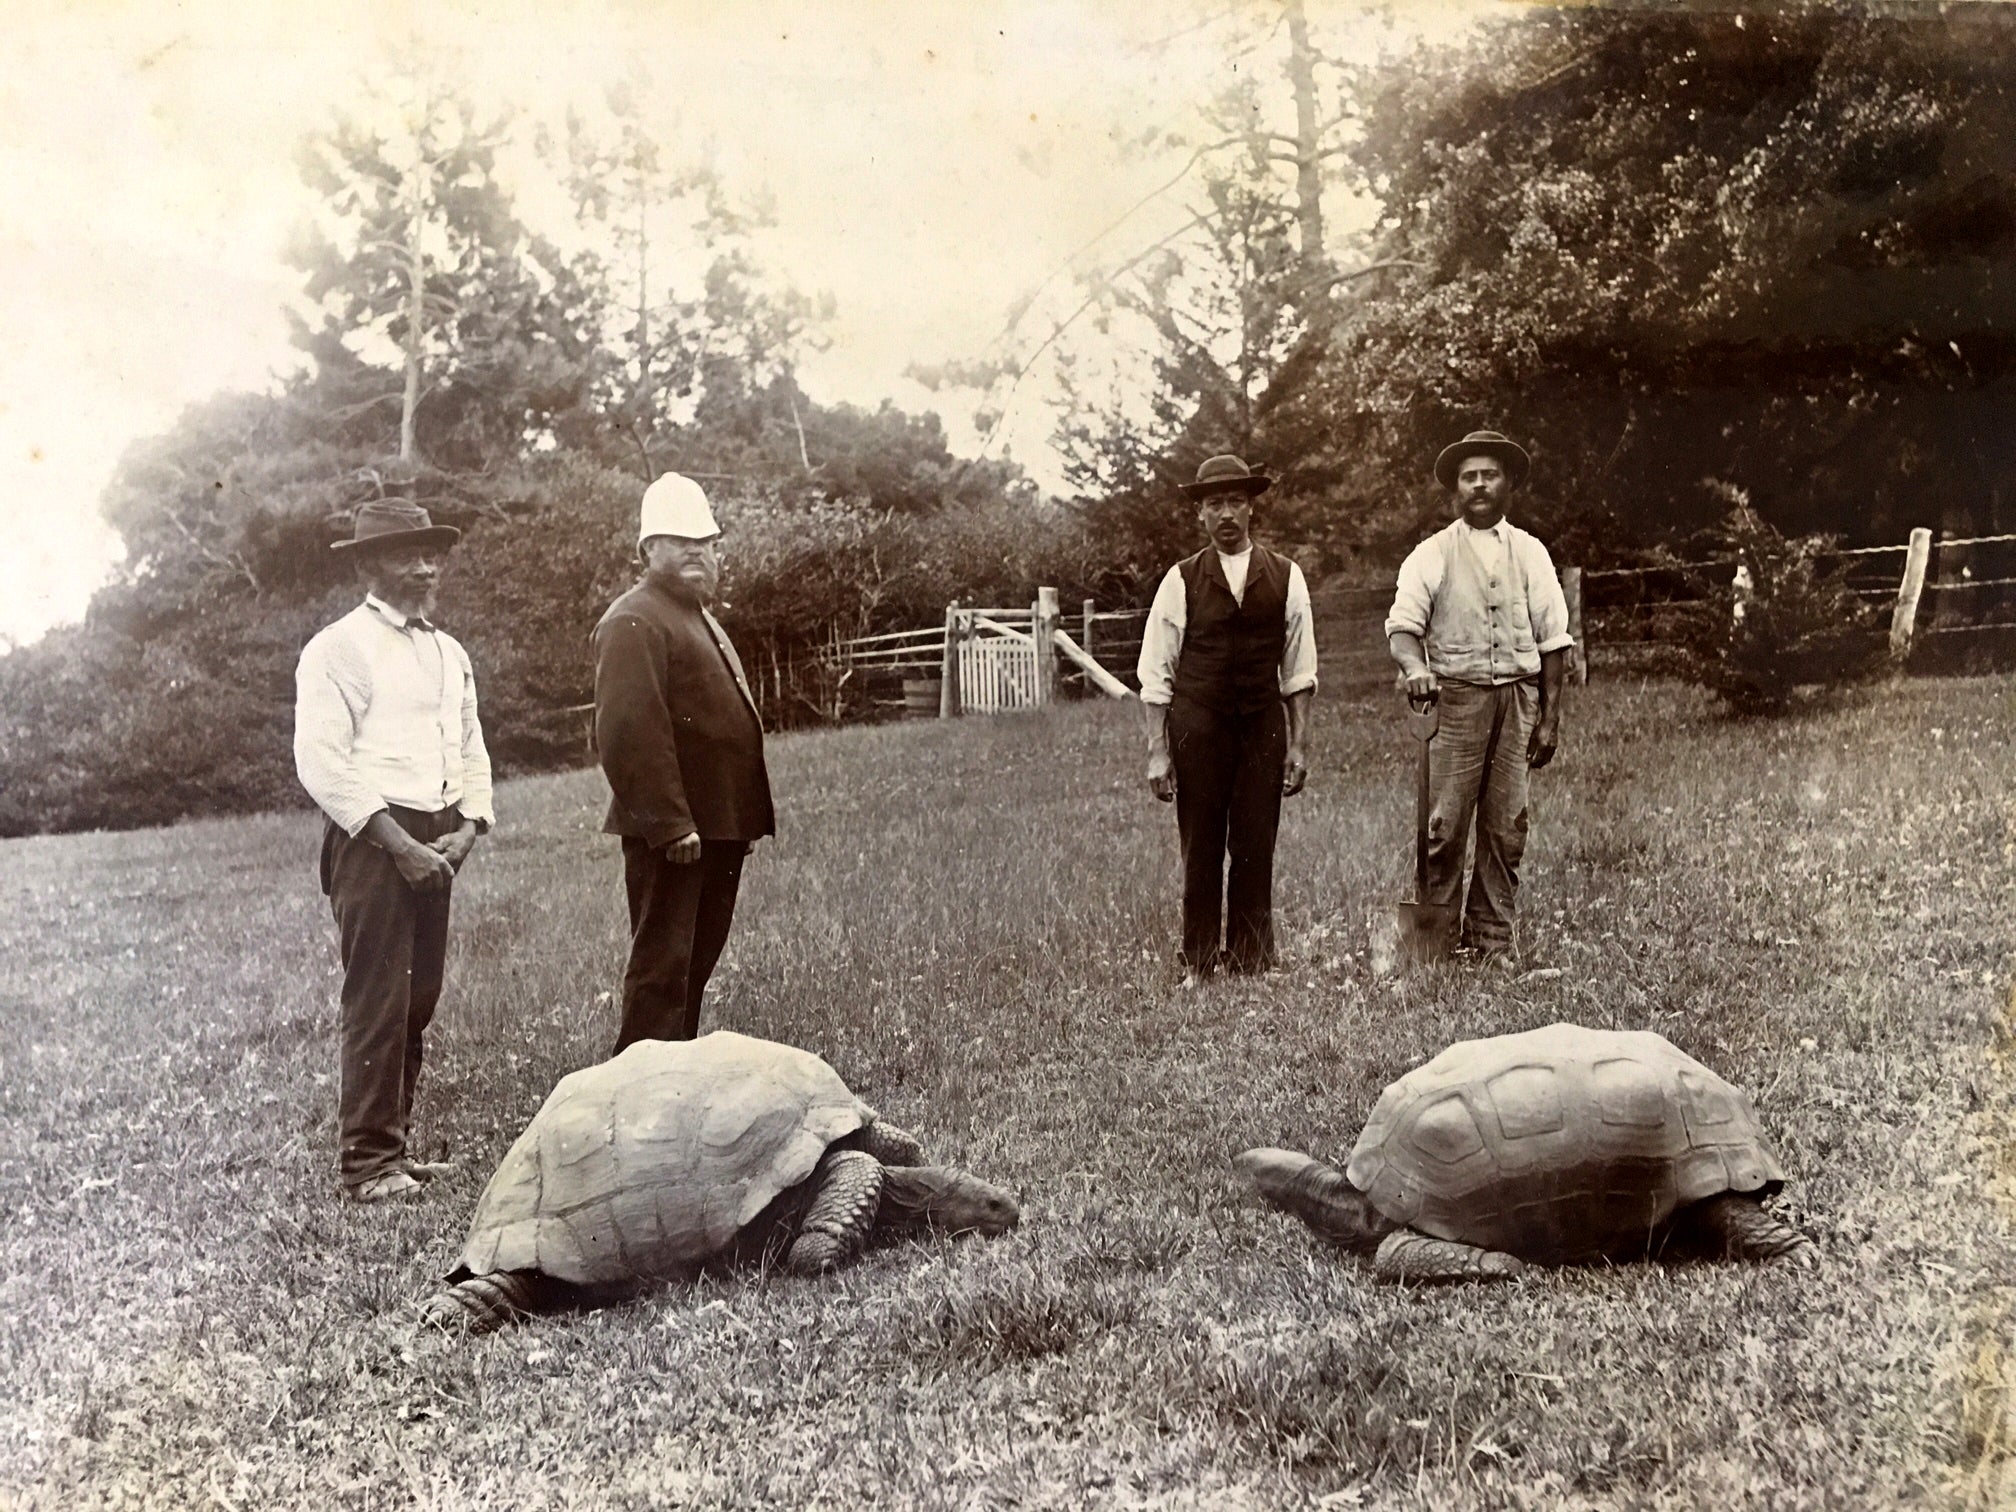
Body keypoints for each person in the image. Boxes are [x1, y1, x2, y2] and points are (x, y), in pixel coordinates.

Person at [294, 499, 494, 1204]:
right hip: (373, 842)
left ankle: (395, 1148)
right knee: (377, 1000)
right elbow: (322, 763)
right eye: (408, 552)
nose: (426, 564)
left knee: (418, 998)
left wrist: (469, 828)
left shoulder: (448, 650)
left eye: (433, 551)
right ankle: (369, 1163)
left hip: (438, 837)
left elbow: (469, 745)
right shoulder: (337, 648)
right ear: (367, 563)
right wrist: (397, 843)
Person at [593, 472, 774, 1052]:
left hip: (717, 828)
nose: (696, 549)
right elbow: (628, 732)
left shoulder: (698, 617)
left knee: (692, 969)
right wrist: (671, 823)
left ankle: (674, 1088)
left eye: (707, 540)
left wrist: (735, 821)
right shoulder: (634, 618)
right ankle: (638, 1098)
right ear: (648, 549)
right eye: (679, 538)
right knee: (661, 973)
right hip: (677, 834)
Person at [1384, 429, 1573, 963]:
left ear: (1507, 483)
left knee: (1507, 825)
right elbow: (1402, 628)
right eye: (1469, 477)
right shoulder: (1432, 554)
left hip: (1518, 702)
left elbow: (1554, 640)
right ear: (1456, 490)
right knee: (1442, 827)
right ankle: (1435, 945)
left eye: (1489, 474)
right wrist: (1416, 667)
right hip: (1456, 704)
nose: (1480, 485)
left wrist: (1549, 719)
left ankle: (1491, 942)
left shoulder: (1532, 553)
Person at [1137, 454, 1317, 986]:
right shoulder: (1181, 580)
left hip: (1262, 723)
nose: (1226, 514)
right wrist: (1156, 748)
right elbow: (1156, 671)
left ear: (1252, 508)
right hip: (1200, 724)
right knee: (1202, 843)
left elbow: (1300, 670)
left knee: (1256, 841)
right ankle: (1197, 960)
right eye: (1214, 503)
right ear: (1200, 514)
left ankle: (1252, 959)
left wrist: (1299, 745)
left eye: (1235, 501)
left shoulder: (1286, 576)